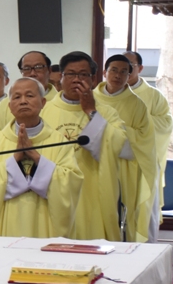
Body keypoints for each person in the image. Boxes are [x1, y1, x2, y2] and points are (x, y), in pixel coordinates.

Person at [0, 78, 83, 237]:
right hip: (7, 225)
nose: (23, 101)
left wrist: (36, 156)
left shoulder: (59, 142)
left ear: (43, 102)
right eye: (17, 97)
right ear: (9, 106)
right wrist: (15, 158)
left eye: (30, 95)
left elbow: (71, 182)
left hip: (45, 226)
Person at [40, 52, 127, 240]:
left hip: (92, 193)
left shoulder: (106, 112)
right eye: (70, 74)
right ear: (61, 78)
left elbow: (121, 147)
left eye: (83, 75)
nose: (76, 79)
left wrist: (91, 112)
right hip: (52, 192)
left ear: (93, 79)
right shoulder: (43, 111)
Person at [94, 55, 158, 242]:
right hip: (96, 165)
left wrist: (111, 131)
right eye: (114, 70)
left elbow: (144, 140)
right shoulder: (91, 99)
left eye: (124, 72)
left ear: (129, 76)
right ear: (104, 72)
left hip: (126, 168)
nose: (118, 75)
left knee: (123, 216)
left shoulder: (137, 104)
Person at [124, 50, 173, 226]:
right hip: (114, 163)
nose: (124, 70)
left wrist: (137, 124)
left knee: (143, 217)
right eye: (118, 67)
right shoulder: (105, 95)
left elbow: (166, 125)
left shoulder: (154, 96)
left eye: (129, 66)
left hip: (143, 165)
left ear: (140, 68)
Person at [0, 51, 59, 141]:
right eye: (27, 68)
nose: (32, 73)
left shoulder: (59, 103)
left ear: (49, 71)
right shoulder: (6, 104)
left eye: (38, 67)